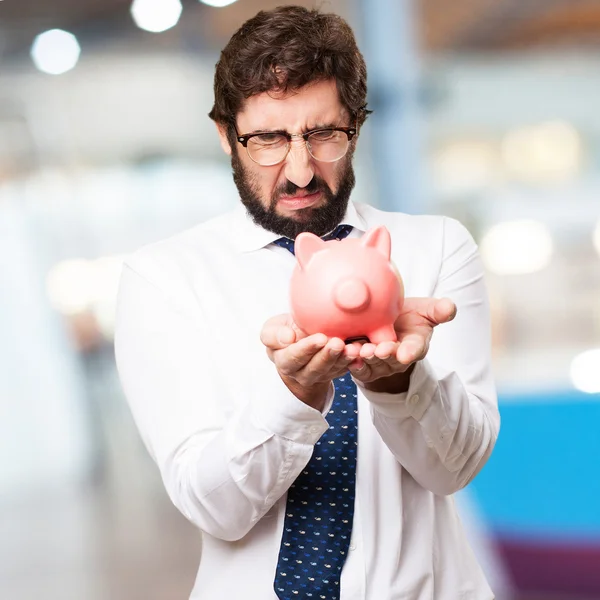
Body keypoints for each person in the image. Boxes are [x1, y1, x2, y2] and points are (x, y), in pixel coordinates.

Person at [114, 5, 500, 599]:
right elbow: (213, 508)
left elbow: (455, 469)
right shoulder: (165, 278)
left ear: (357, 128)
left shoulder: (435, 248)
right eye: (268, 138)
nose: (298, 171)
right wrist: (294, 396)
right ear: (225, 134)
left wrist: (400, 382)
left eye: (323, 134)